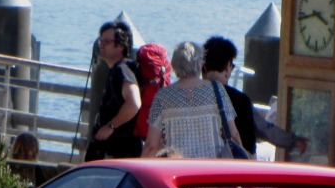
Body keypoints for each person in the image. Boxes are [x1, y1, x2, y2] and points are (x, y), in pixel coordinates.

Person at [201, 36, 307, 159]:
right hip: (239, 164)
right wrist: (293, 141)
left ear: (204, 66)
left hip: (203, 164)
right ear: (227, 66)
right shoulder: (241, 100)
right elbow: (264, 129)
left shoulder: (194, 97)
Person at [141, 40, 243, 159]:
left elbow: (151, 145)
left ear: (174, 64)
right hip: (212, 168)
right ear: (200, 64)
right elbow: (234, 135)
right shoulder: (216, 89)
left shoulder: (162, 96)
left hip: (179, 169)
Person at [85, 20, 142, 161]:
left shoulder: (121, 70)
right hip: (118, 150)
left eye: (106, 41)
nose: (100, 45)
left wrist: (110, 126)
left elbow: (134, 103)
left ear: (121, 46)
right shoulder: (117, 70)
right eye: (100, 40)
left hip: (119, 151)